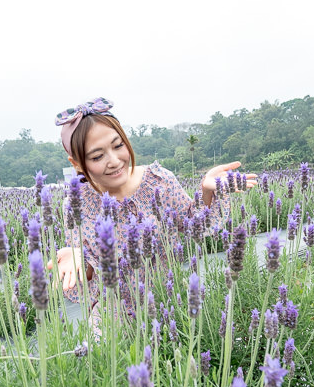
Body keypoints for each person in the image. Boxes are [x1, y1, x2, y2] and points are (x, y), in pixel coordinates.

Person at [48, 97, 257, 332]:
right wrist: (77, 257)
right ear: (76, 163)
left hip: (169, 304)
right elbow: (88, 277)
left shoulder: (158, 180)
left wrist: (206, 191)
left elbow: (196, 225)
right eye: (97, 156)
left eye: (118, 146)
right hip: (112, 319)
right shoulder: (77, 203)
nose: (114, 161)